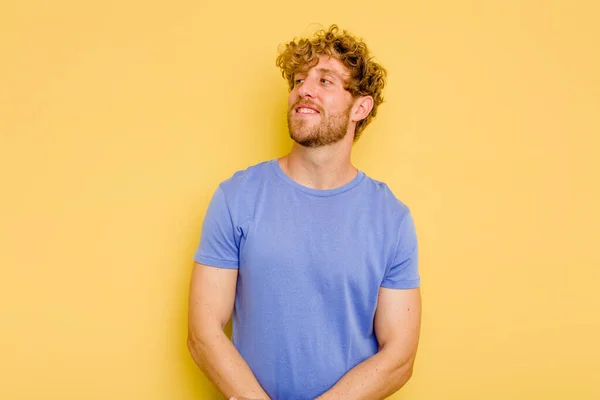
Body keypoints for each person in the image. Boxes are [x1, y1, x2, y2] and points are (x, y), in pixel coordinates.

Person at [187, 25, 421, 400]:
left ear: (360, 106)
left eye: (325, 80)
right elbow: (203, 333)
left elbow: (399, 356)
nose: (303, 90)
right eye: (298, 80)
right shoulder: (236, 197)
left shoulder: (391, 219)